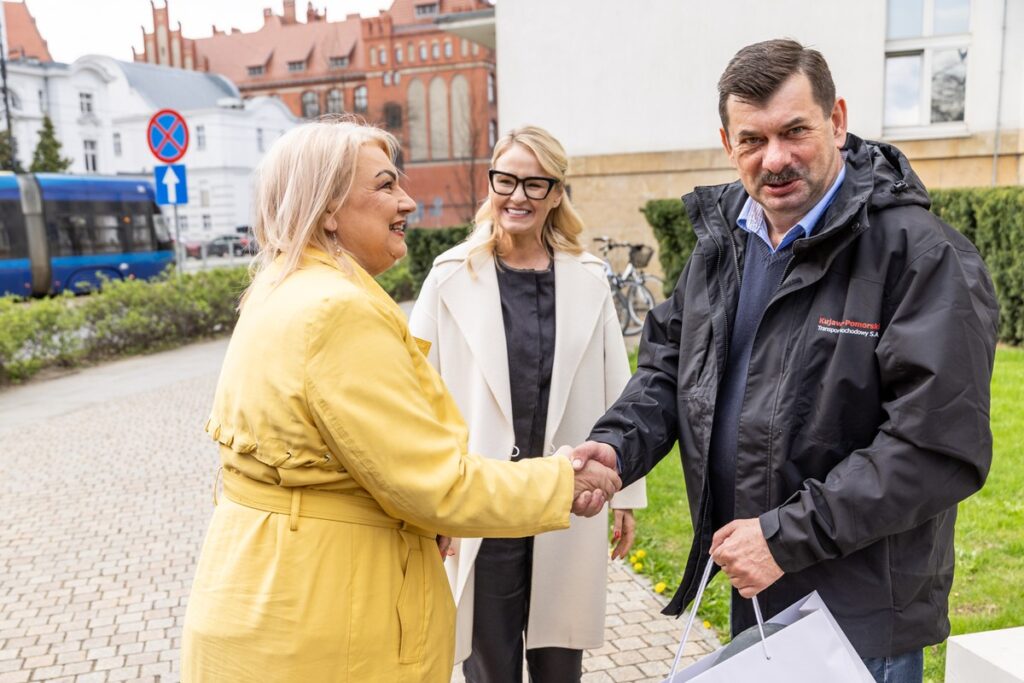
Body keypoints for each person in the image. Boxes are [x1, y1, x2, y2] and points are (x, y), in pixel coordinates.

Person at [571, 39, 999, 683]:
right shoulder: (727, 245)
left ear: (838, 119)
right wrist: (617, 446)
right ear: (727, 143)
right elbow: (670, 368)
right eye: (753, 139)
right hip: (758, 593)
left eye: (795, 130)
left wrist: (784, 537)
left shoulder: (921, 255)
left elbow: (936, 446)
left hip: (858, 619)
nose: (775, 159)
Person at [180, 118, 622, 682]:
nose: (408, 202)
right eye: (386, 185)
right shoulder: (338, 310)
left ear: (557, 194)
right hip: (327, 614)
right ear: (330, 208)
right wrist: (564, 480)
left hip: (267, 594)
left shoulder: (278, 288)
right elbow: (435, 483)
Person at [410, 126, 647, 683]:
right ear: (490, 184)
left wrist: (626, 494)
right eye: (506, 180)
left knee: (560, 661)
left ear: (557, 193)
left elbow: (622, 391)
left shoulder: (588, 279)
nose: (517, 196)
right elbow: (416, 395)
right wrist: (429, 505)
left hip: (566, 498)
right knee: (488, 666)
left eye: (534, 184)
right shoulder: (449, 277)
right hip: (483, 503)